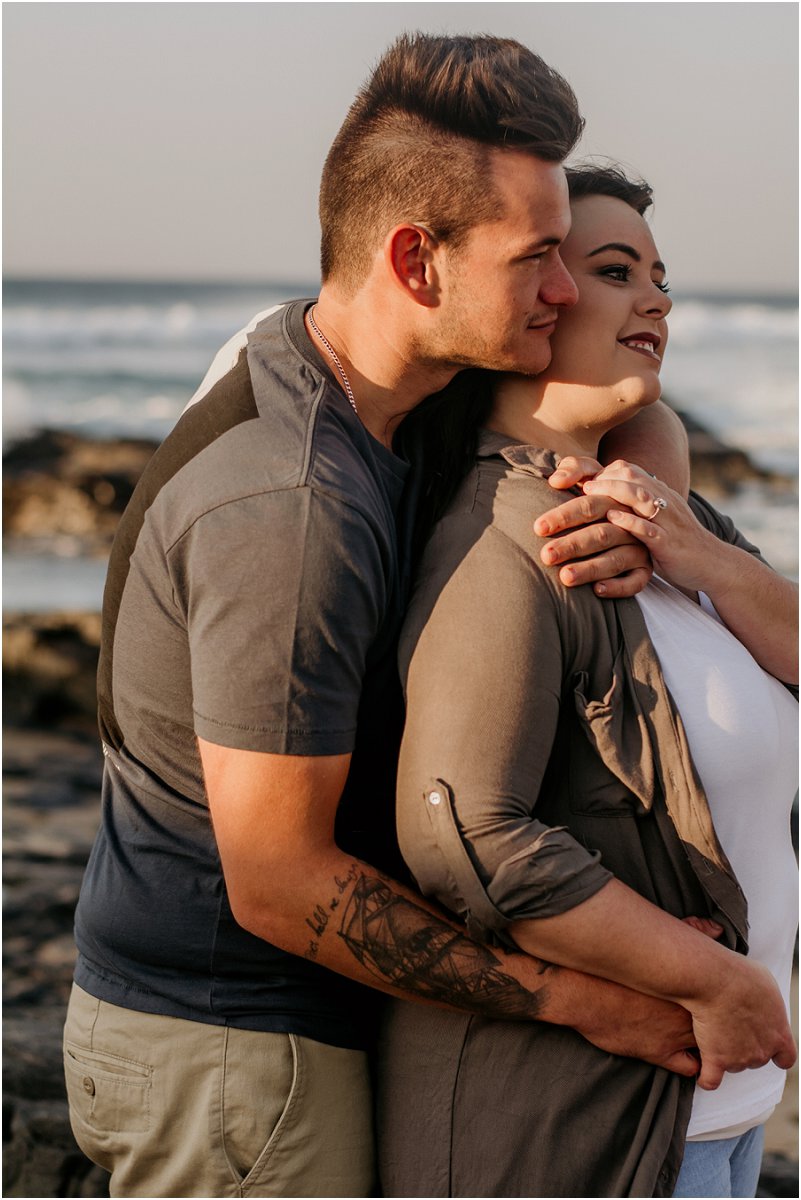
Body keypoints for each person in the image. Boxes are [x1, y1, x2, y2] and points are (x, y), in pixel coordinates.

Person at [61, 34, 793, 1199]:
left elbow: (605, 401)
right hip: (238, 1041)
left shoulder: (362, 382)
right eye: (541, 259)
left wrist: (651, 476)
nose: (567, 292)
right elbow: (284, 881)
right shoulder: (294, 505)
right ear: (414, 260)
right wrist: (593, 999)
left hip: (292, 1021)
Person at [376, 165, 798, 1198]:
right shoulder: (515, 536)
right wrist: (717, 979)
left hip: (721, 1120)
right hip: (590, 1133)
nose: (657, 300)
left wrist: (703, 555)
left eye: (659, 276)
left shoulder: (668, 520)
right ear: (533, 299)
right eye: (615, 270)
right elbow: (464, 832)